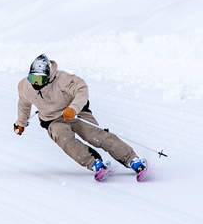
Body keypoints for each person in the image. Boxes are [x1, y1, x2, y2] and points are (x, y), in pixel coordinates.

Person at [14, 54, 148, 181]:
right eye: (33, 79)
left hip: (76, 113)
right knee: (64, 138)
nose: (36, 84)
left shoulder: (62, 79)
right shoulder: (24, 86)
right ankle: (94, 163)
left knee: (94, 136)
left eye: (40, 80)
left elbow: (81, 89)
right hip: (52, 120)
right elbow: (24, 105)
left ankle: (132, 160)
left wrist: (73, 108)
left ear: (48, 76)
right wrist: (21, 123)